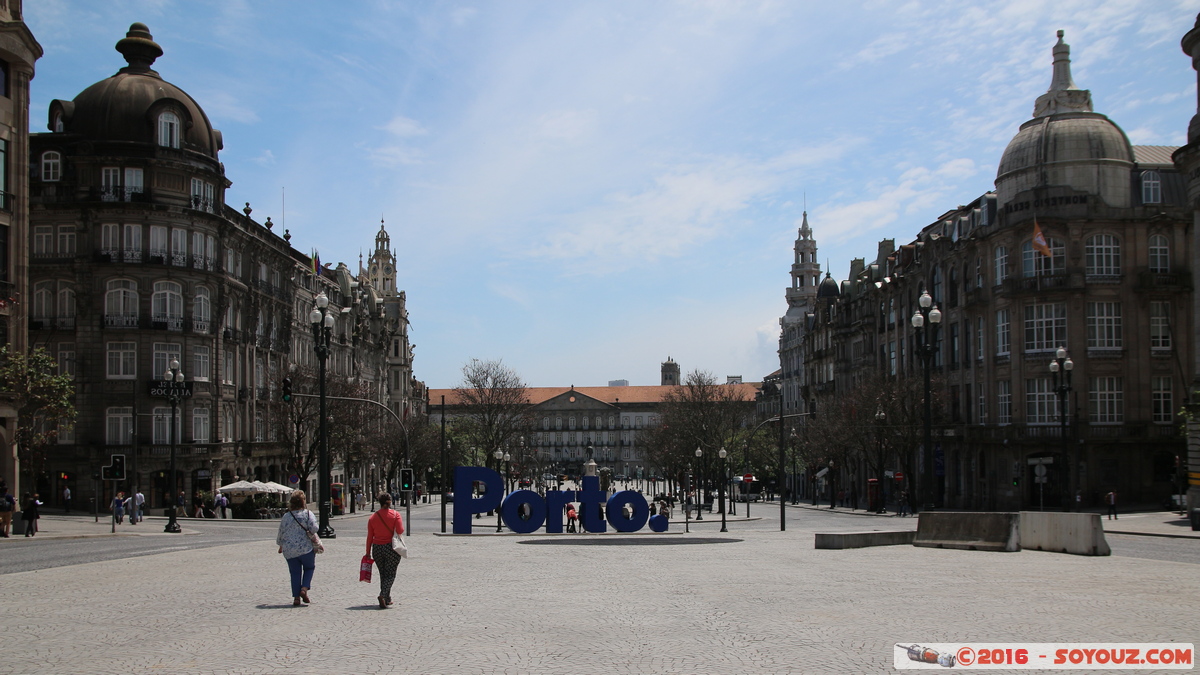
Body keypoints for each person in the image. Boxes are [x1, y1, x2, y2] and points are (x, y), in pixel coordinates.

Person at [276, 490, 318, 607]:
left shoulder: (286, 516)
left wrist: (280, 545)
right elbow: (314, 528)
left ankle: (296, 598)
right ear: (303, 501)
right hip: (305, 548)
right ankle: (304, 588)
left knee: (294, 572)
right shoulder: (308, 514)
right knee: (309, 568)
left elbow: (281, 533)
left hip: (289, 550)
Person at [366, 492, 405, 609]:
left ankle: (387, 598)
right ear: (390, 502)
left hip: (377, 548)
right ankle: (383, 595)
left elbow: (369, 537)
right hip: (391, 548)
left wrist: (367, 552)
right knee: (391, 574)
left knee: (383, 574)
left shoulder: (373, 517)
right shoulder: (395, 515)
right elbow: (400, 530)